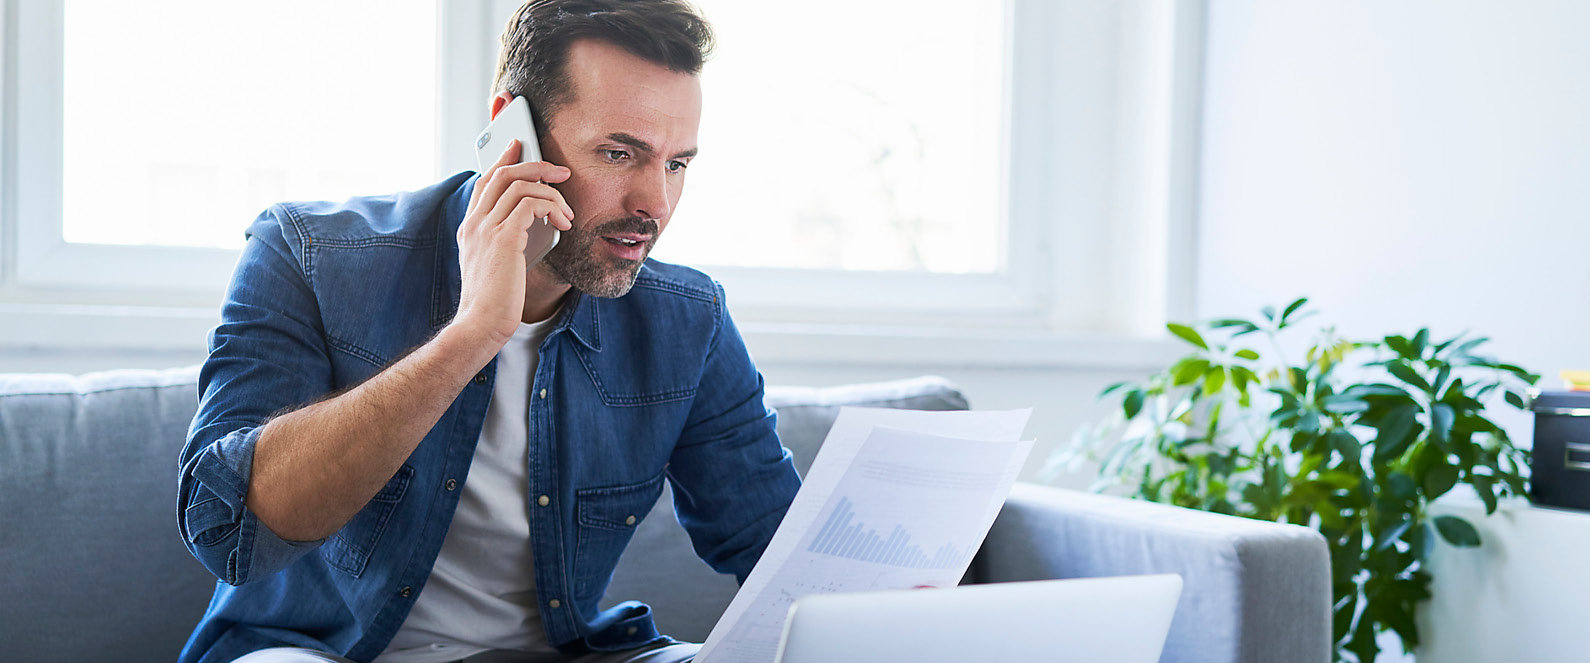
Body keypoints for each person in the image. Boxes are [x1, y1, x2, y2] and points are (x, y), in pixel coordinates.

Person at [175, 1, 801, 661]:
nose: (656, 203)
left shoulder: (686, 318)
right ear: (512, 132)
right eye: (620, 153)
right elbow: (227, 530)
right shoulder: (308, 253)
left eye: (676, 164)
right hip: (319, 651)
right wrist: (474, 331)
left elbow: (782, 551)